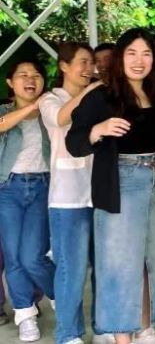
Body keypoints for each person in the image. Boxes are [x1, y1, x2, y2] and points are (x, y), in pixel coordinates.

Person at [66, 28, 155, 344]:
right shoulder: (102, 96)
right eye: (132, 53)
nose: (139, 61)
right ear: (119, 58)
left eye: (146, 54)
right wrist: (97, 130)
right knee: (119, 264)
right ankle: (122, 339)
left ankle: (146, 330)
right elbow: (74, 142)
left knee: (152, 260)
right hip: (121, 183)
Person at [39, 43, 116, 344]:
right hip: (67, 198)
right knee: (70, 270)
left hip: (100, 192)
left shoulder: (99, 98)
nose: (89, 68)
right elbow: (61, 118)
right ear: (64, 66)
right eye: (82, 62)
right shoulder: (50, 99)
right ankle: (68, 333)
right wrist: (93, 89)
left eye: (91, 62)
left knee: (104, 267)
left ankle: (103, 328)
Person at [0, 59, 55, 342]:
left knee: (32, 256)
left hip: (43, 187)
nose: (30, 79)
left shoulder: (50, 111)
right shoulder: (4, 112)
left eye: (36, 75)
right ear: (10, 82)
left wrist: (42, 107)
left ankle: (61, 296)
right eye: (23, 75)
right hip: (8, 189)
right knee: (13, 257)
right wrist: (30, 108)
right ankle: (25, 315)